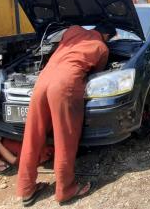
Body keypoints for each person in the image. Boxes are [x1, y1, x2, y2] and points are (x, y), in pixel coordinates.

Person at [17, 22, 116, 207]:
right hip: (64, 86)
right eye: (110, 39)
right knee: (65, 139)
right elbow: (96, 74)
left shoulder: (72, 30)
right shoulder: (102, 48)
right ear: (107, 36)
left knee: (32, 135)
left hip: (42, 82)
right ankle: (65, 189)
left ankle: (26, 188)